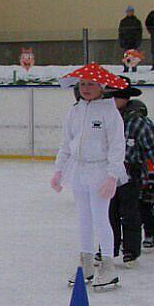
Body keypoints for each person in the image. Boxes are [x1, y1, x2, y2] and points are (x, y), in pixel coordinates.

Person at [51, 63, 128, 291]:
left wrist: (113, 175)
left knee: (101, 218)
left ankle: (108, 266)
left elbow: (116, 145)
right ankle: (85, 264)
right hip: (79, 170)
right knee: (84, 218)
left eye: (91, 84)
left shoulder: (109, 111)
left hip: (100, 171)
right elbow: (67, 143)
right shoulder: (74, 111)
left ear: (101, 86)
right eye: (82, 84)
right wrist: (59, 170)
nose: (85, 88)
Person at [108, 76, 154, 265]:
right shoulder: (105, 117)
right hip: (107, 171)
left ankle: (131, 250)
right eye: (110, 96)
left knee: (130, 212)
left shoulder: (138, 122)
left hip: (131, 171)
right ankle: (109, 247)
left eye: (117, 97)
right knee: (108, 212)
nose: (112, 101)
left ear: (126, 98)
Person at [118, 6, 143, 72]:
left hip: (134, 41)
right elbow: (120, 32)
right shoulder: (123, 21)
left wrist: (138, 41)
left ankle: (134, 68)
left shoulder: (137, 21)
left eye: (131, 11)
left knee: (134, 55)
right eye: (128, 11)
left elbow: (139, 32)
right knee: (126, 55)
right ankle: (126, 67)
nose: (130, 13)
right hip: (126, 41)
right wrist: (121, 41)